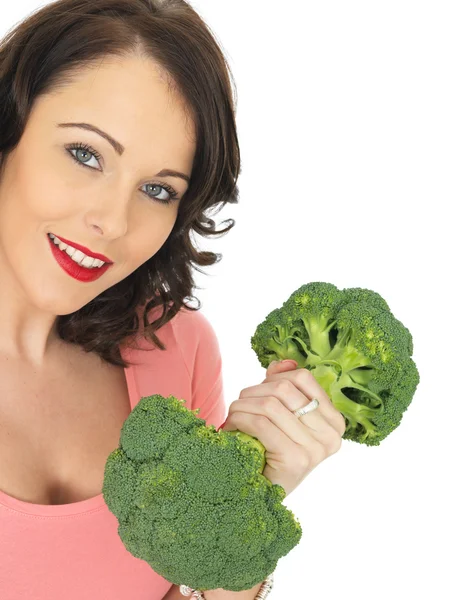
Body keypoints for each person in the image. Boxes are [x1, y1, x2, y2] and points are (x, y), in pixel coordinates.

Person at [0, 1, 239, 599]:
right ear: (8, 131)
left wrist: (245, 503)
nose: (111, 220)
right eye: (85, 154)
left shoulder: (176, 349)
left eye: (158, 189)